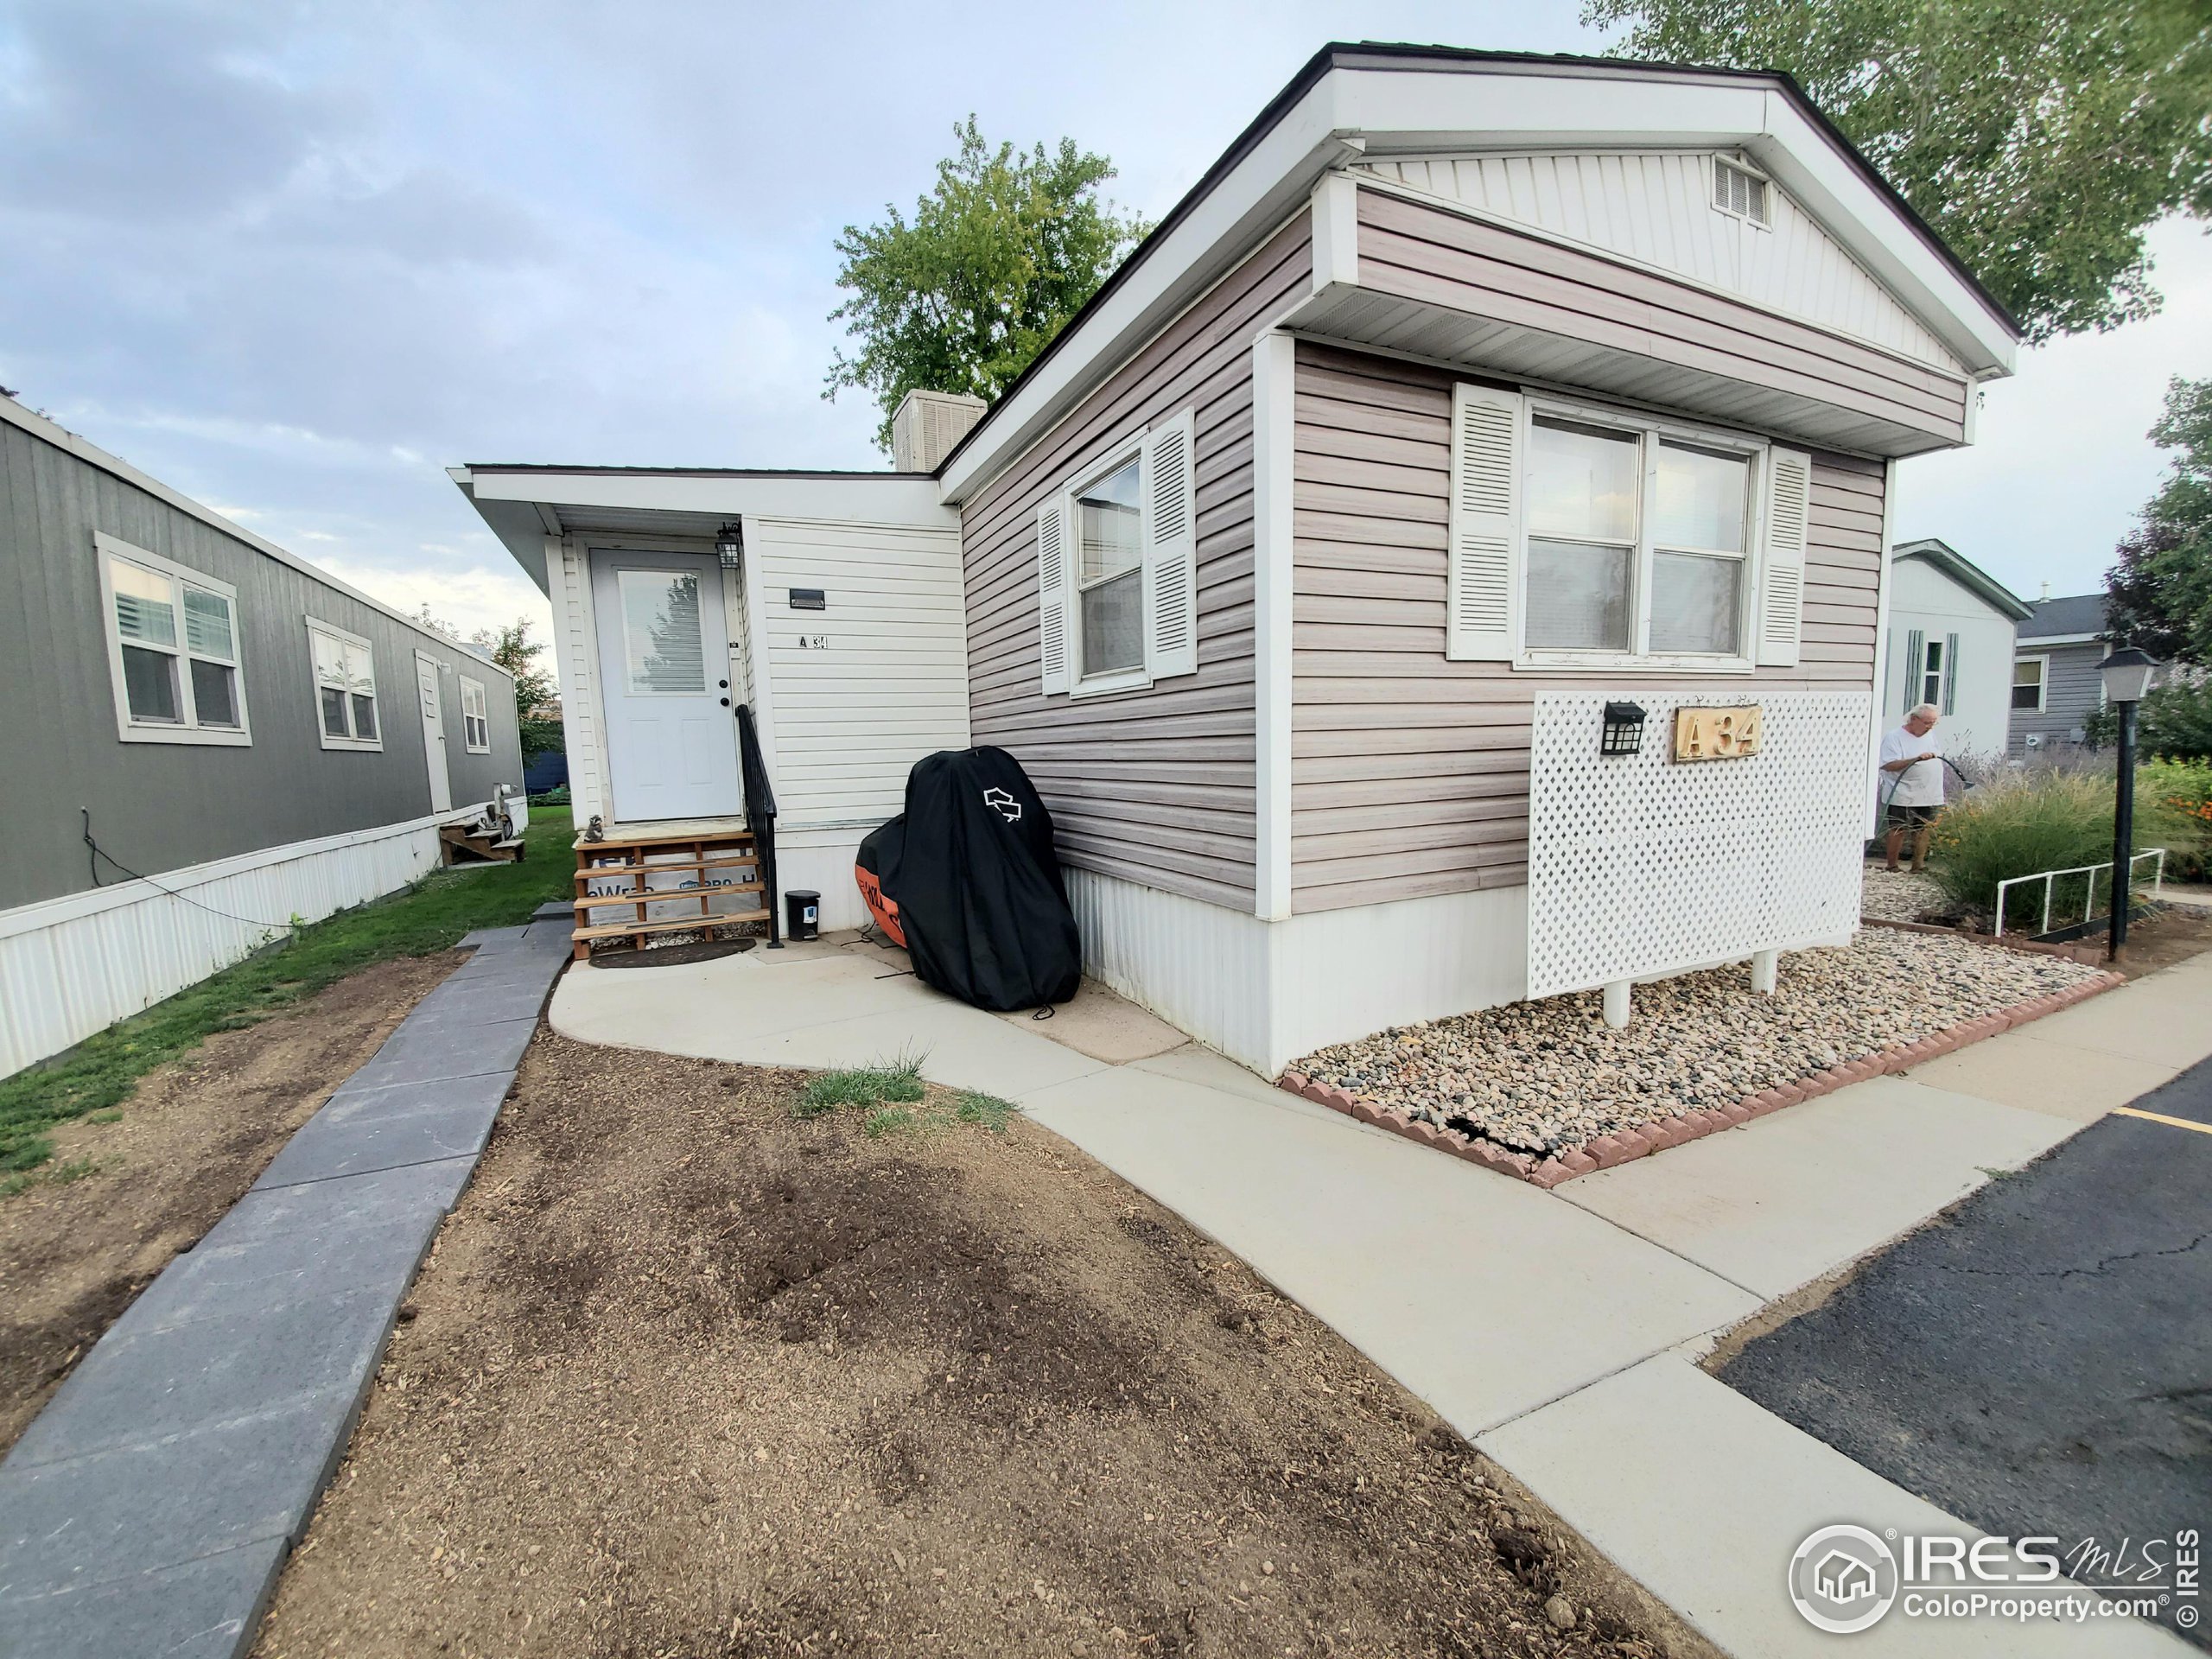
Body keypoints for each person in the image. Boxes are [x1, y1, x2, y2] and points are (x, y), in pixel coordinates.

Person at [1878, 703, 1945, 872]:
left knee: (1923, 827)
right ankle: (1892, 865)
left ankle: (1918, 865)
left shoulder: (1930, 735)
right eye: (1927, 722)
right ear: (1914, 719)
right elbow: (1888, 764)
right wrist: (1915, 759)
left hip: (1929, 791)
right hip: (1902, 790)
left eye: (1933, 723)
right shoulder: (1894, 737)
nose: (1930, 727)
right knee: (1898, 827)